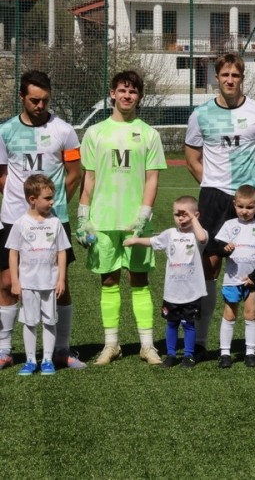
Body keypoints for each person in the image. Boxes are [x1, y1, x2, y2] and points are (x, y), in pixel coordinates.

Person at [185, 52, 255, 361]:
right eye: (224, 75)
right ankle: (201, 342)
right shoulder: (200, 114)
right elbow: (192, 158)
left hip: (249, 199)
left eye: (235, 75)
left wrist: (249, 191)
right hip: (214, 198)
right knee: (209, 267)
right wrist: (212, 183)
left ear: (242, 78)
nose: (229, 80)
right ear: (217, 77)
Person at [78, 70, 166, 366]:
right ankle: (111, 345)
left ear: (139, 97)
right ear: (112, 94)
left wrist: (144, 215)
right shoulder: (95, 133)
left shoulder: (149, 134)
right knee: (108, 280)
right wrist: (83, 216)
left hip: (134, 223)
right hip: (103, 220)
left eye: (133, 91)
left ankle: (147, 346)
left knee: (139, 279)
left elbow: (152, 178)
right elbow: (89, 178)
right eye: (122, 90)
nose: (127, 95)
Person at [0, 70, 84, 370]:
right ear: (22, 97)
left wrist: (54, 207)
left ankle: (61, 350)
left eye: (45, 100)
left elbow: (74, 174)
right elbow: (2, 175)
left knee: (59, 283)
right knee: (7, 282)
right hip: (14, 218)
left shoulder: (64, 130)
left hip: (54, 219)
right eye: (34, 100)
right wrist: (25, 207)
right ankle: (4, 350)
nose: (40, 105)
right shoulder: (5, 131)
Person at [123, 196, 208, 368]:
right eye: (177, 214)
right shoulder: (170, 234)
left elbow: (202, 238)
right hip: (172, 292)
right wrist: (135, 240)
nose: (181, 218)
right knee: (171, 323)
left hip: (192, 292)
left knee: (189, 325)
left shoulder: (197, 234)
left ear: (196, 215)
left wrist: (193, 219)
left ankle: (188, 355)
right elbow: (152, 241)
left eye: (185, 214)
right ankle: (170, 355)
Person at [6, 174, 69, 375]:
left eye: (52, 198)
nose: (52, 202)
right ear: (32, 199)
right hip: (28, 283)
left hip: (49, 282)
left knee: (50, 321)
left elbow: (61, 251)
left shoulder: (55, 223)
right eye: (47, 198)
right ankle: (31, 360)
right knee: (30, 321)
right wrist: (15, 281)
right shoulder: (20, 223)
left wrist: (61, 278)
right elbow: (13, 253)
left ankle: (47, 360)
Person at [214, 185, 255, 369]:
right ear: (234, 204)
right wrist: (225, 250)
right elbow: (219, 249)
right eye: (240, 206)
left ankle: (250, 353)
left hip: (252, 281)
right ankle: (225, 354)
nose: (244, 211)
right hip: (232, 280)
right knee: (229, 314)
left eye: (249, 207)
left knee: (251, 314)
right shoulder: (229, 225)